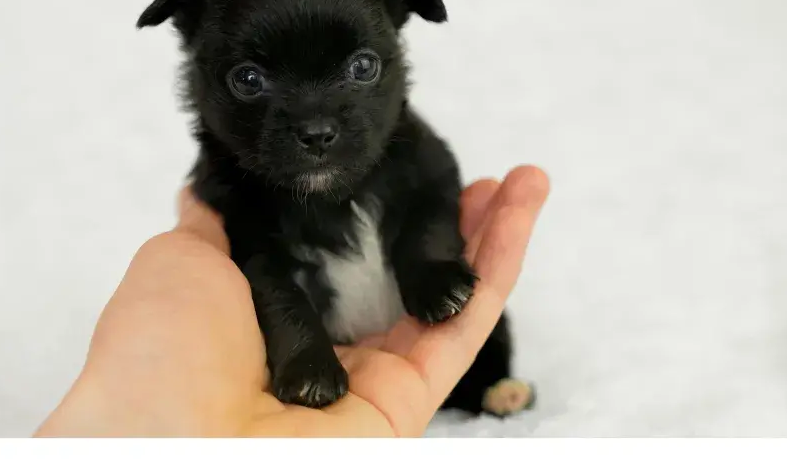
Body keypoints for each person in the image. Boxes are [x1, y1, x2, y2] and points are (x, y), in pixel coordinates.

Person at [34, 165, 549, 437]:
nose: (316, 116)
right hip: (341, 359)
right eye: (251, 79)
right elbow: (264, 272)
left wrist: (428, 264)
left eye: (359, 69)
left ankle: (485, 385)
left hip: (400, 342)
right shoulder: (235, 188)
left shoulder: (413, 154)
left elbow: (434, 204)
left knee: (476, 309)